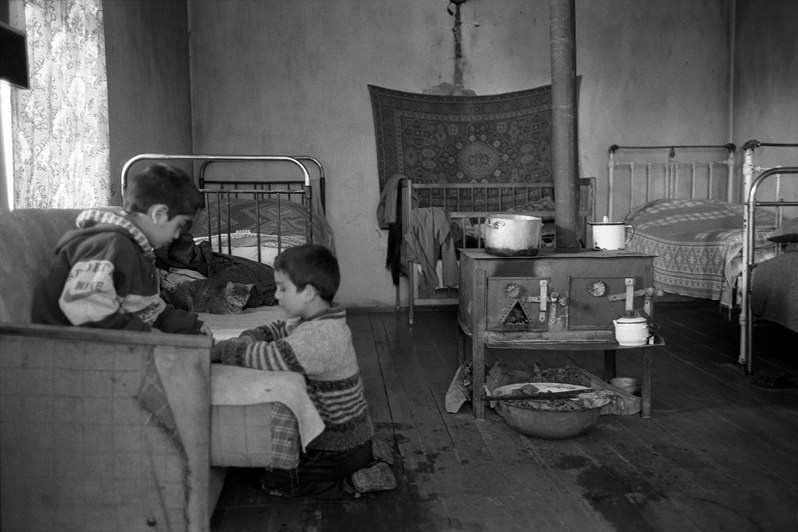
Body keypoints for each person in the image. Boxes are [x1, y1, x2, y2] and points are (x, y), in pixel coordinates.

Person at [210, 244, 396, 498]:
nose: (276, 295)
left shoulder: (322, 336)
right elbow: (279, 328)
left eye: (283, 288)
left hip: (336, 446)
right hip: (347, 436)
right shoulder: (317, 319)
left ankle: (354, 481)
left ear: (308, 292)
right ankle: (369, 452)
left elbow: (274, 356)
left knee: (274, 479)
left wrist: (224, 350)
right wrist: (251, 335)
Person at [32, 163, 211, 336]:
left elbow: (146, 307)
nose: (178, 235)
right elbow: (87, 308)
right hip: (68, 345)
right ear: (158, 214)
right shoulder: (108, 244)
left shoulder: (135, 251)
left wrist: (190, 326)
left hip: (106, 342)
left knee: (199, 347)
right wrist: (147, 336)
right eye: (179, 225)